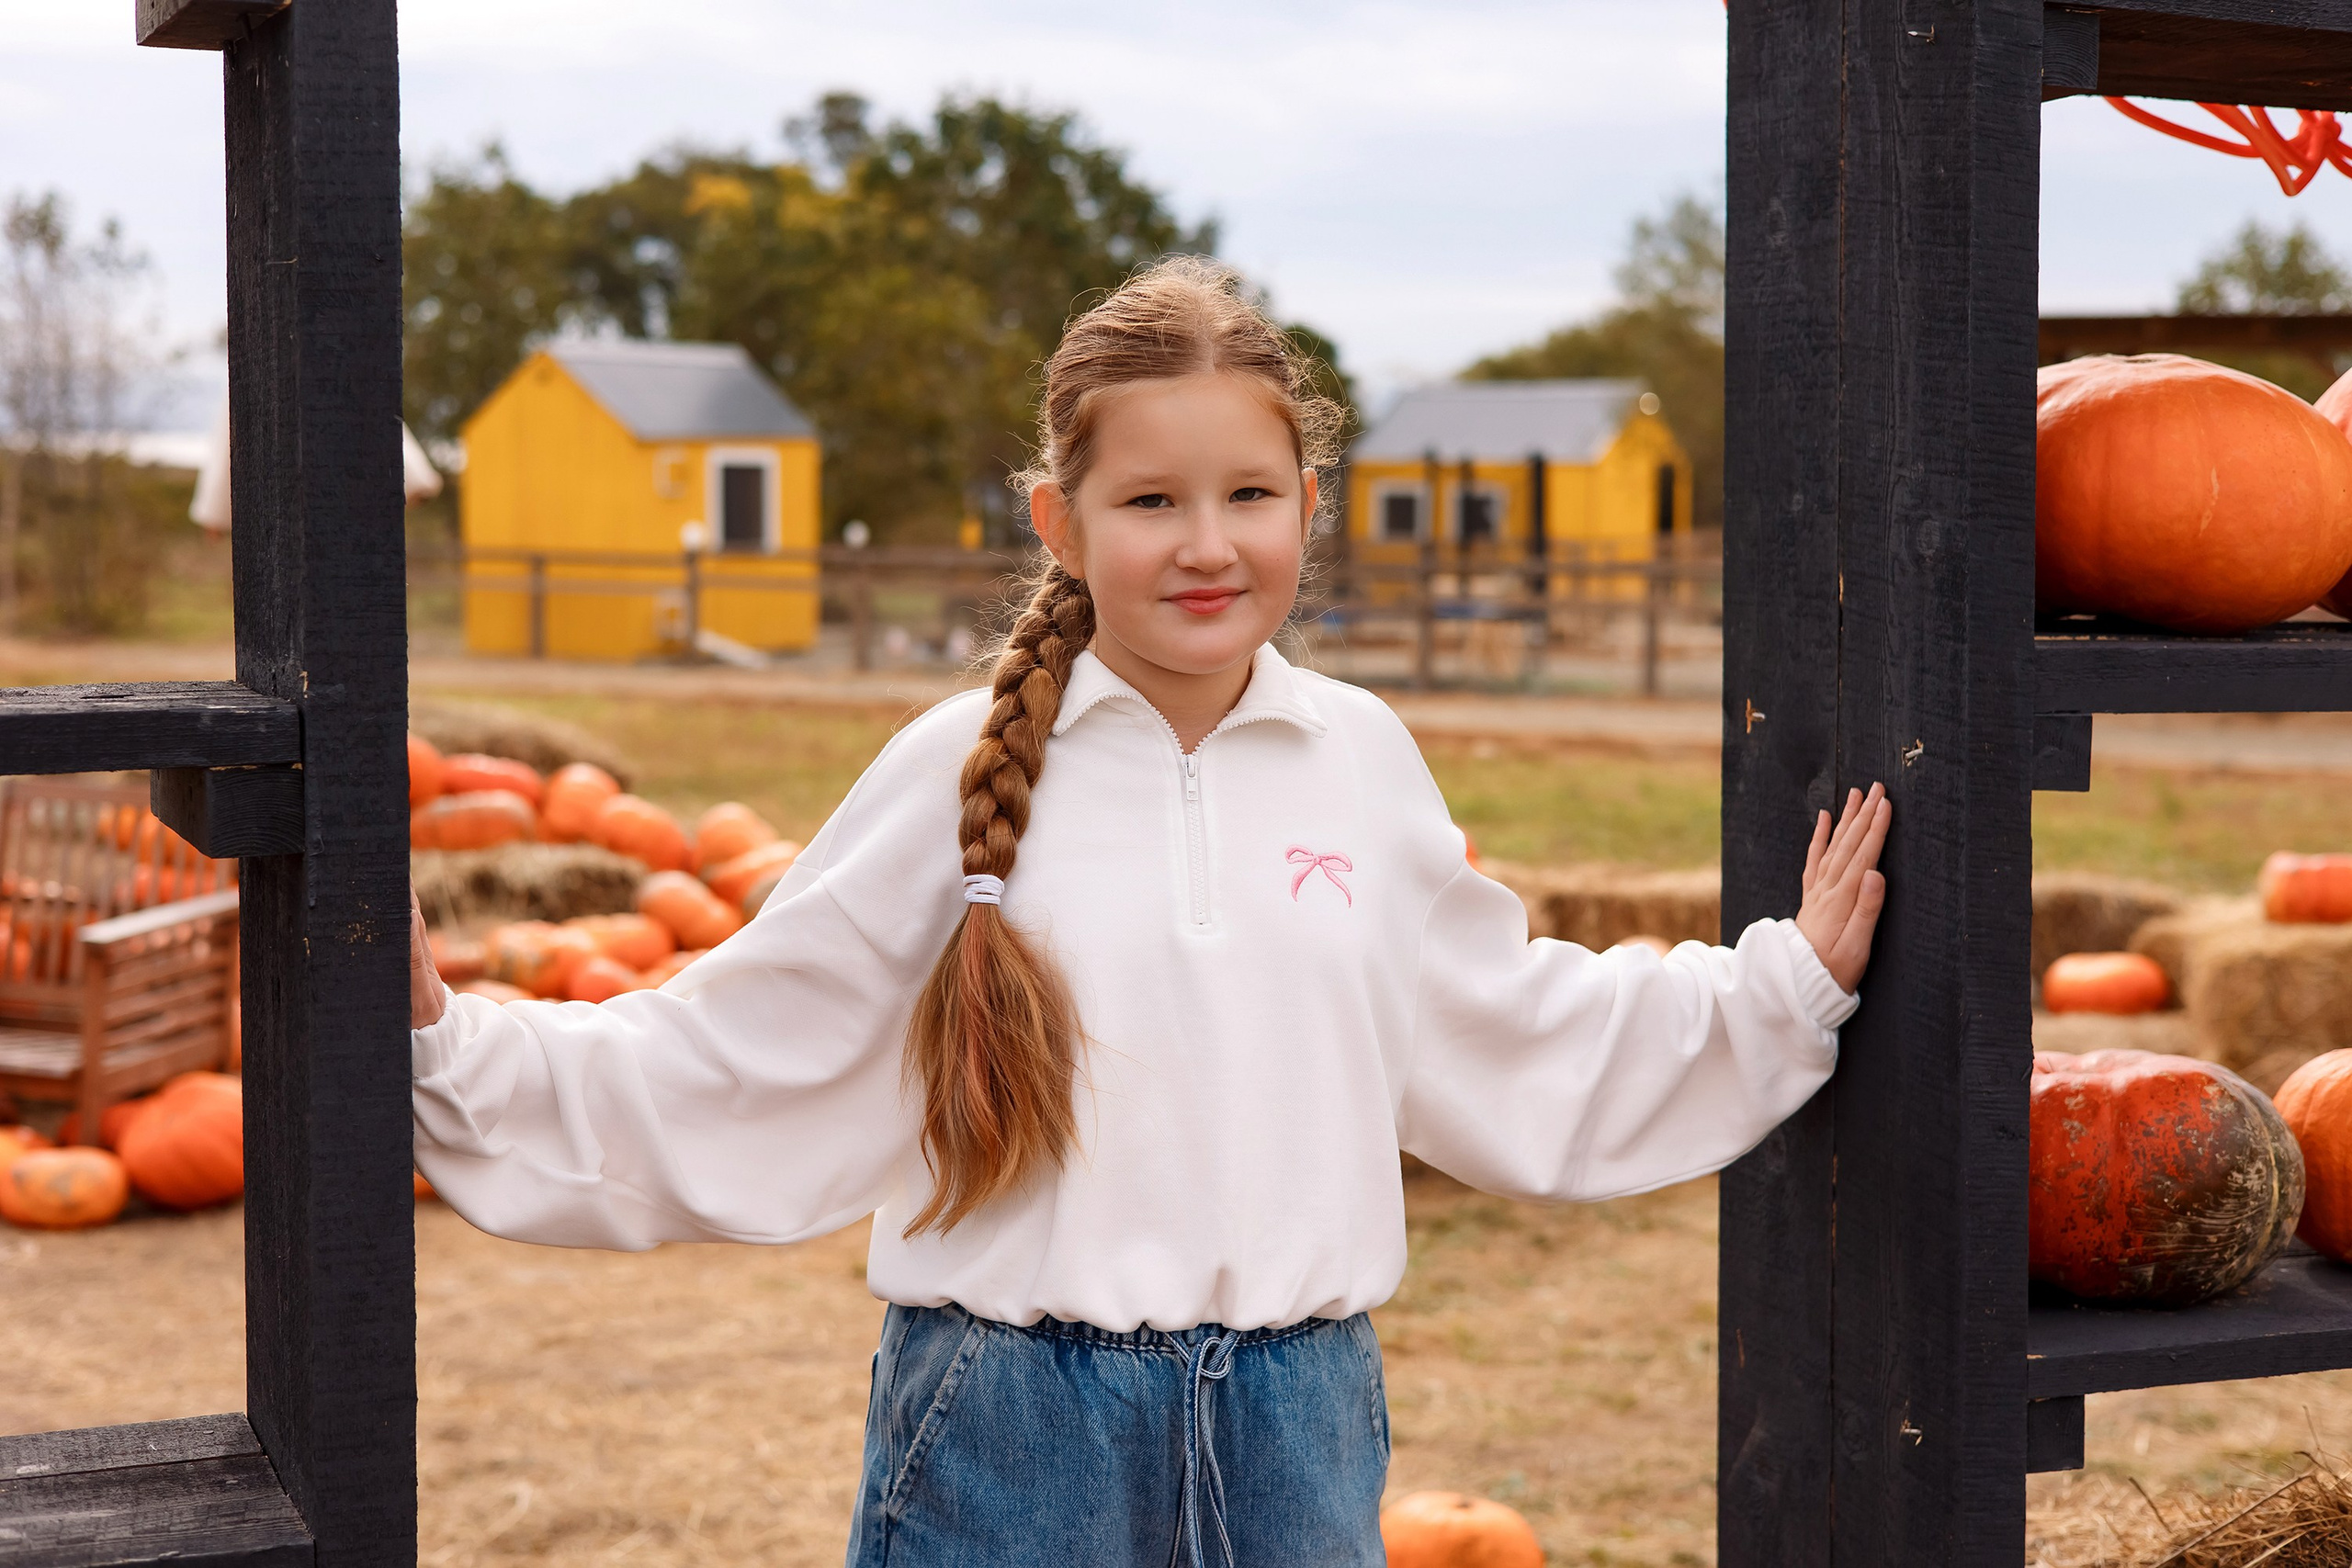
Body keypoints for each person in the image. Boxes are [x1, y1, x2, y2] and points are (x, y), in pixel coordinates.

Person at [406, 255, 1892, 1568]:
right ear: (1061, 518)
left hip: (1297, 1434)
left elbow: (1505, 1026)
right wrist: (455, 1054)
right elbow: (741, 1050)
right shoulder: (954, 771)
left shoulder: (1360, 762)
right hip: (1008, 1432)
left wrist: (1773, 994)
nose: (1206, 544)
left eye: (1249, 495)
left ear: (1310, 506)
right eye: (1151, 501)